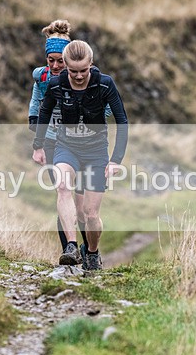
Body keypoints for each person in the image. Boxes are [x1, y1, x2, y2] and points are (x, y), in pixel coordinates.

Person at [31, 40, 129, 271]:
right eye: (73, 71)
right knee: (63, 187)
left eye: (83, 71)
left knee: (90, 213)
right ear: (65, 66)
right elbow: (44, 111)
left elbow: (122, 121)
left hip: (96, 153)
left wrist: (115, 160)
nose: (78, 76)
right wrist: (38, 145)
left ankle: (92, 253)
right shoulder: (57, 84)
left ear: (91, 64)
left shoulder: (105, 84)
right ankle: (71, 247)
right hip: (67, 147)